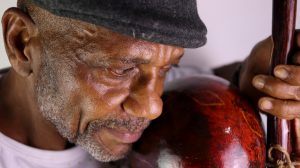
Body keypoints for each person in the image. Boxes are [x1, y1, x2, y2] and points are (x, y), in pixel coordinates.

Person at [0, 0, 300, 167]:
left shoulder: (169, 102)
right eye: (121, 69)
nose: (152, 106)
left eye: (169, 67)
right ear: (22, 44)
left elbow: (204, 83)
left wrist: (247, 85)